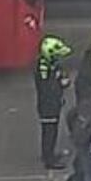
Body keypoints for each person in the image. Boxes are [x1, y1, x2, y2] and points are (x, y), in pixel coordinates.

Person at [34, 34, 73, 169]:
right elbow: (47, 87)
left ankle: (50, 153)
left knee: (53, 131)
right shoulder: (43, 67)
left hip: (54, 103)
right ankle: (49, 159)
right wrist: (60, 83)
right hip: (48, 105)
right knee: (49, 132)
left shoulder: (51, 64)